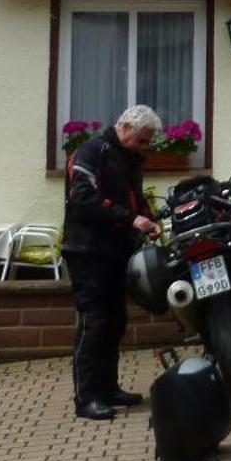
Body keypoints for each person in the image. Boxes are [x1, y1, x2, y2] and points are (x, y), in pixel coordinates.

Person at [63, 104, 162, 421]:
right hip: (87, 251)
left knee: (116, 321)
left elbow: (134, 198)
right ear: (126, 128)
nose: (146, 147)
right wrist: (132, 220)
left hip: (116, 251)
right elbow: (83, 198)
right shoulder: (92, 151)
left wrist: (149, 219)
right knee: (95, 322)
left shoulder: (129, 158)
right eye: (143, 140)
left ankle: (108, 387)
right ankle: (86, 397)